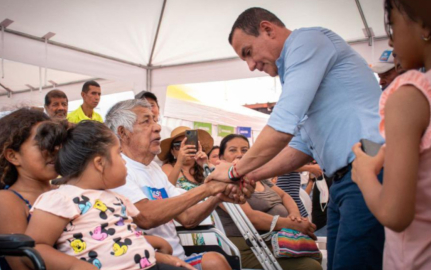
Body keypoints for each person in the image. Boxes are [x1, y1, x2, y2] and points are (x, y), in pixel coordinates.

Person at [209, 7, 385, 270]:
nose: (251, 65)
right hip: (344, 182)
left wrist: (235, 171)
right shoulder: (296, 68)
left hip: (366, 172)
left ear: (267, 29)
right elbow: (300, 146)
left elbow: (283, 123)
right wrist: (252, 175)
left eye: (248, 52)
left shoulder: (306, 42)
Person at [25, 120, 193, 270]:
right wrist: (73, 265)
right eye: (119, 154)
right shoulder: (61, 199)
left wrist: (158, 254)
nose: (125, 161)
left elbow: (120, 241)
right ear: (100, 163)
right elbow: (35, 246)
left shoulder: (116, 197)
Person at [105, 99, 250, 270]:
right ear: (123, 132)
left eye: (155, 120)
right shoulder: (118, 169)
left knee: (214, 260)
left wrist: (217, 196)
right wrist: (209, 188)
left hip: (178, 258)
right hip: (148, 263)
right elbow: (145, 216)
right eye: (146, 121)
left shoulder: (154, 169)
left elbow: (187, 218)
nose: (157, 127)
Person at [351, 0, 431, 269]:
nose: (390, 41)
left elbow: (395, 214)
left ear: (424, 25)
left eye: (392, 26)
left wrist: (363, 174)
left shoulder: (410, 95)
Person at [217, 134, 322, 270]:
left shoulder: (256, 177)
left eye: (244, 150)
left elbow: (284, 195)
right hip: (250, 247)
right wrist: (291, 224)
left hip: (277, 240)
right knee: (310, 266)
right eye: (232, 150)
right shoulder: (224, 183)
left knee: (315, 256)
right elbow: (251, 218)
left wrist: (294, 215)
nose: (240, 154)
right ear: (221, 157)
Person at [0, 108, 56, 269]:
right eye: (42, 144)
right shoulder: (6, 200)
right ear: (13, 156)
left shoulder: (61, 190)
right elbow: (21, 265)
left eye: (55, 142)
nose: (54, 149)